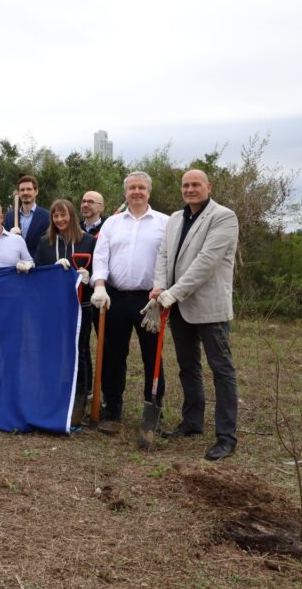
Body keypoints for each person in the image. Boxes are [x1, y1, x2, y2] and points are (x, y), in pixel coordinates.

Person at [150, 170, 240, 461]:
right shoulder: (175, 218)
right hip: (178, 307)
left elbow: (206, 262)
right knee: (188, 366)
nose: (190, 189)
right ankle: (192, 422)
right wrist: (160, 287)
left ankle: (226, 437)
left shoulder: (223, 217)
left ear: (208, 187)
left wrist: (174, 293)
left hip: (209, 308)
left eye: (195, 184)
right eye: (185, 185)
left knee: (221, 370)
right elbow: (164, 256)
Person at [90, 172, 169, 421]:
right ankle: (112, 407)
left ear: (149, 192)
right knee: (113, 354)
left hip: (150, 300)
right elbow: (100, 257)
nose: (136, 192)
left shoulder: (164, 222)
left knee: (152, 355)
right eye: (132, 188)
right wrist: (99, 285)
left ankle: (153, 410)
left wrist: (162, 291)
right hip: (115, 297)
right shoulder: (112, 224)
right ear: (125, 193)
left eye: (141, 188)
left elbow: (169, 260)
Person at [34, 199, 97, 427]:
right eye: (55, 215)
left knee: (79, 349)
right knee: (53, 348)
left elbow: (98, 271)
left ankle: (80, 396)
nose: (60, 220)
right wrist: (48, 270)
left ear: (71, 216)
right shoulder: (45, 243)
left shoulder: (88, 241)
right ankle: (53, 392)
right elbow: (38, 273)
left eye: (63, 215)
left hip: (82, 305)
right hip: (53, 307)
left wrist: (89, 278)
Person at [4, 175, 51, 258]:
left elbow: (49, 245)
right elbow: (4, 243)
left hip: (38, 264)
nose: (25, 193)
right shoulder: (9, 217)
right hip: (15, 263)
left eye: (29, 189)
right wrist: (10, 237)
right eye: (22, 190)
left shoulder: (47, 216)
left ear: (36, 191)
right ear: (18, 193)